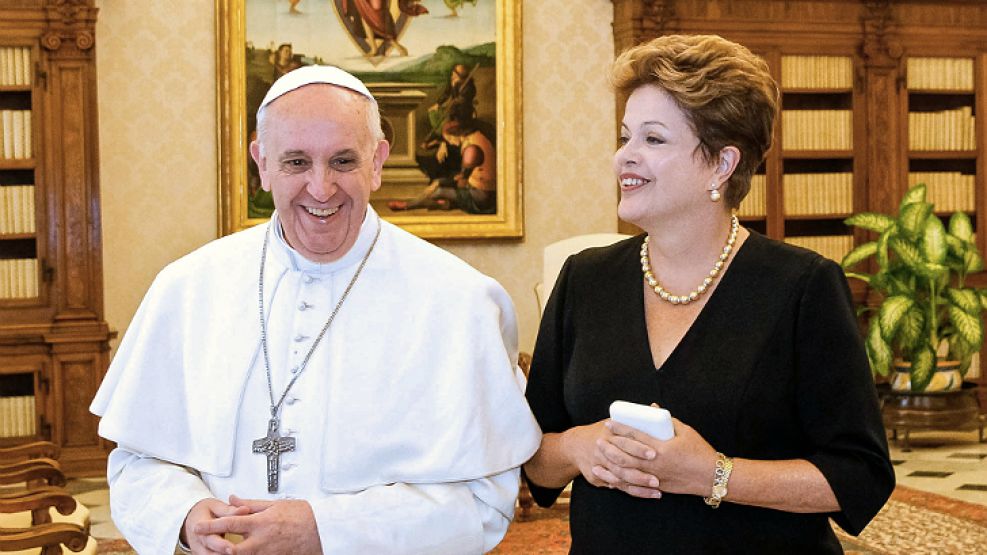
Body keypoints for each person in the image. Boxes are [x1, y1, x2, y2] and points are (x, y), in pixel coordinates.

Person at [90, 65, 540, 554]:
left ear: (378, 161)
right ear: (261, 163)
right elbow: (136, 463)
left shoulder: (461, 301)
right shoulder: (185, 288)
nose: (321, 188)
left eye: (343, 161)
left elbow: (483, 503)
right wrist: (184, 516)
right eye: (297, 162)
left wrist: (326, 531)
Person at [522, 34, 894, 553]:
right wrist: (580, 447)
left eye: (653, 140)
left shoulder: (803, 287)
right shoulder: (583, 280)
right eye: (625, 137)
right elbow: (534, 458)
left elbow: (859, 476)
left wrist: (713, 475)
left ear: (721, 164)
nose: (623, 158)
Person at [390, 99, 496, 214]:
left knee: (439, 192)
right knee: (440, 191)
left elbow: (462, 182)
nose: (449, 142)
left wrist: (440, 183)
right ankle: (440, 203)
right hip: (478, 190)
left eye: (449, 139)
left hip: (481, 197)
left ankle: (408, 205)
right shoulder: (474, 136)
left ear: (458, 133)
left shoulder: (471, 150)